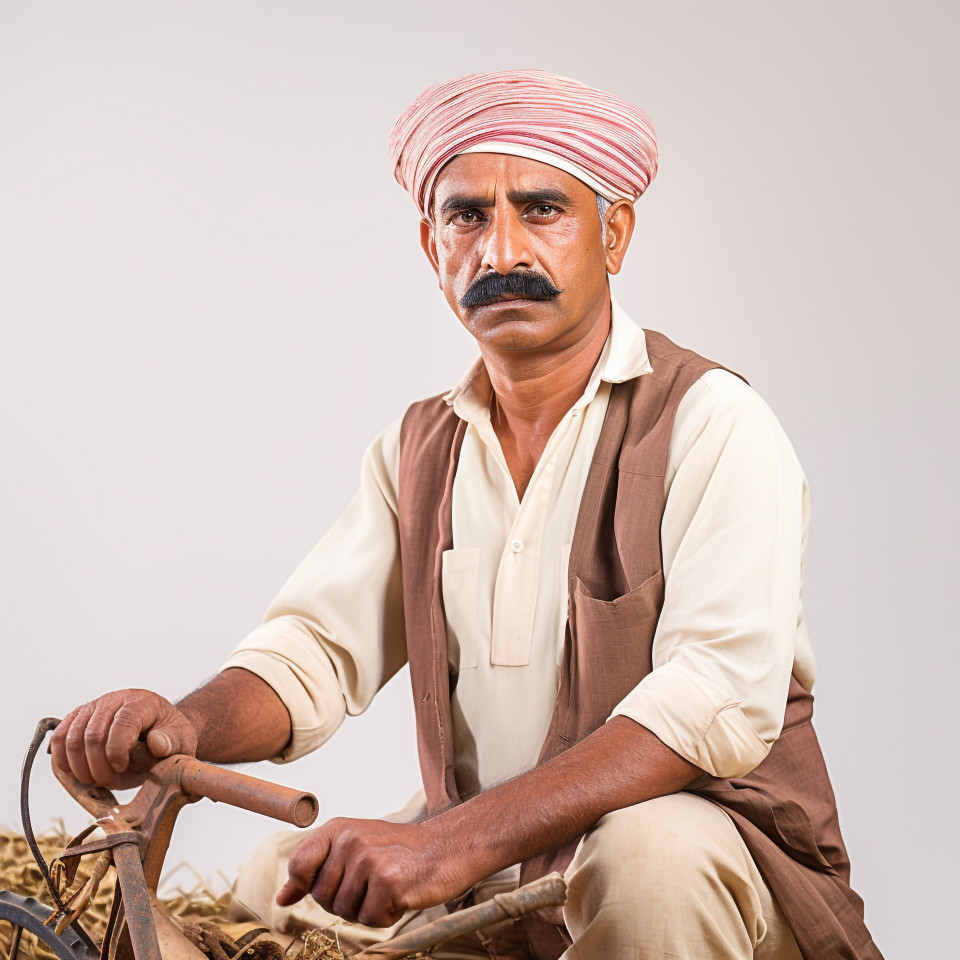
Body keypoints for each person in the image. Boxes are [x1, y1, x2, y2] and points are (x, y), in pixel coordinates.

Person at [50, 70, 883, 959]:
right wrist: (184, 726)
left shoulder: (712, 422)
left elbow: (712, 699)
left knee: (650, 854)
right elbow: (317, 652)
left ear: (615, 235)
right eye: (468, 217)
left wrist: (445, 845)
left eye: (541, 210)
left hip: (718, 874)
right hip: (499, 882)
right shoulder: (419, 447)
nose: (500, 252)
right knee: (272, 877)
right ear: (430, 244)